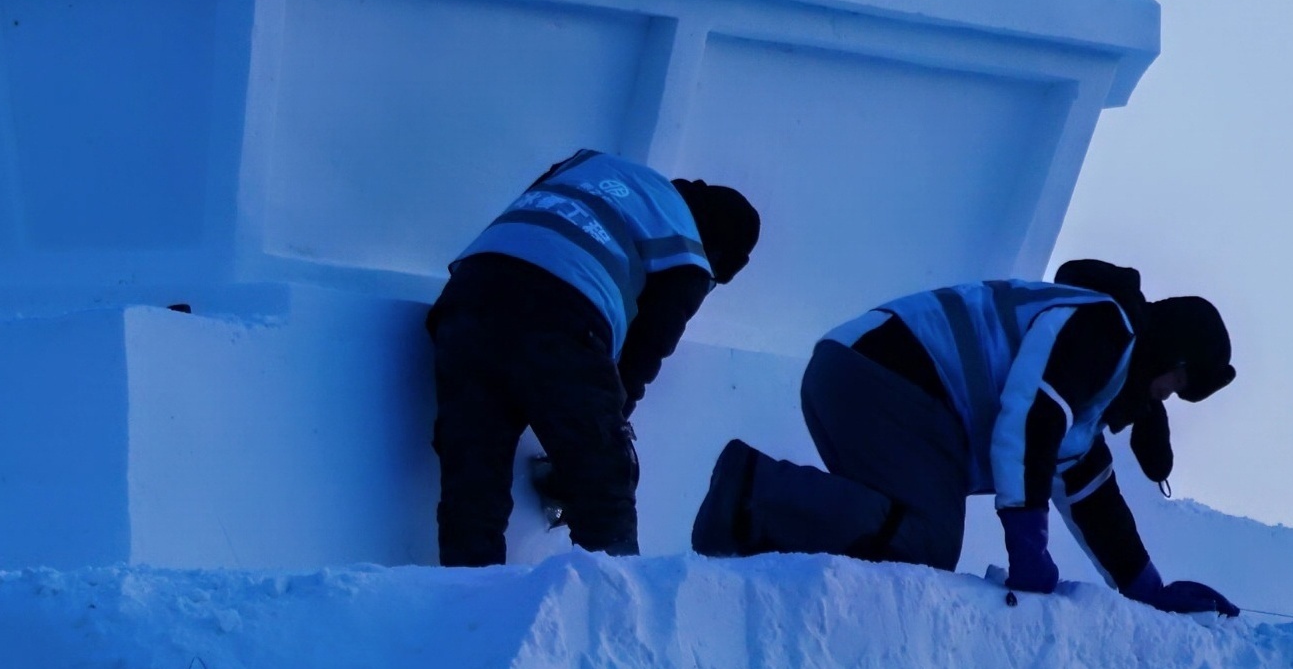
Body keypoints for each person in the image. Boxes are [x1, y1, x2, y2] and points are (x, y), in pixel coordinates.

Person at [691, 272, 1240, 614]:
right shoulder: (1103, 328)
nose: (1164, 399)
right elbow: (1030, 418)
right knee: (926, 542)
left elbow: (1095, 500)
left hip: (866, 378)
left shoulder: (1086, 406)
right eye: (1177, 386)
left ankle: (760, 532)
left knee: (898, 534)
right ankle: (751, 493)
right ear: (1173, 359)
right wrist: (1027, 544)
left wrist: (1147, 590)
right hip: (891, 376)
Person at [429, 150, 760, 562]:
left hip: (466, 301)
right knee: (603, 486)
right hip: (561, 310)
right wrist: (594, 445)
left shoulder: (591, 165)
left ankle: (466, 607)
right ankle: (609, 607)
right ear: (719, 255)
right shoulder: (688, 253)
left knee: (472, 481)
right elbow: (634, 369)